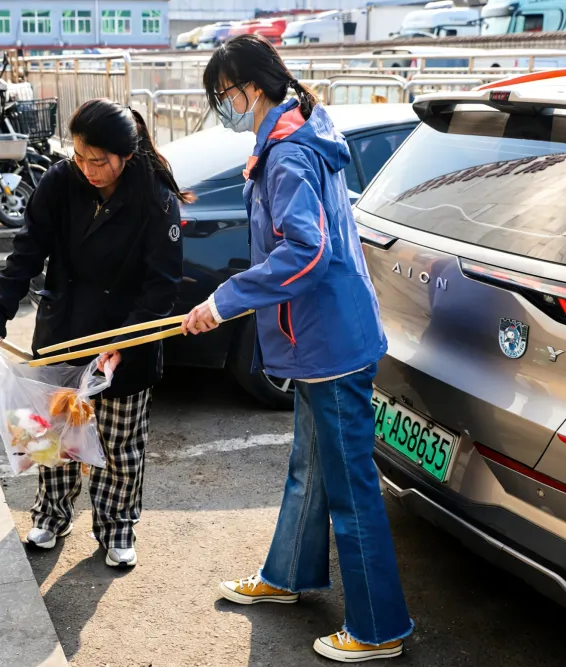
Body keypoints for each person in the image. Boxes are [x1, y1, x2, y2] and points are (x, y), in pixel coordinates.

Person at [182, 34, 414, 663]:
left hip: (330, 344)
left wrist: (225, 299)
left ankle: (379, 627)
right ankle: (287, 576)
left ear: (252, 88)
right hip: (322, 338)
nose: (222, 106)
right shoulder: (300, 130)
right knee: (310, 468)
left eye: (223, 94)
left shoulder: (286, 153)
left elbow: (305, 252)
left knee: (350, 484)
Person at [0, 99, 190, 568]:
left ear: (125, 155)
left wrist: (124, 341)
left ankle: (116, 528)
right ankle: (51, 515)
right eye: (81, 156)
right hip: (64, 329)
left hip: (127, 339)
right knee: (50, 436)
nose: (89, 169)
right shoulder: (58, 181)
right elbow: (25, 254)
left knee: (120, 444)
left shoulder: (154, 196)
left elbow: (163, 286)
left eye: (100, 160)